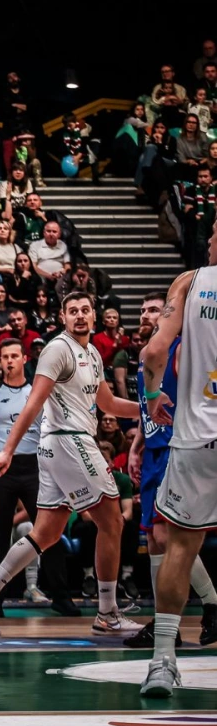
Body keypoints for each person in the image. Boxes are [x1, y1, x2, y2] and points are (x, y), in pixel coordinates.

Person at [0, 292, 145, 639]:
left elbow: (108, 403)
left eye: (85, 310)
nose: (79, 315)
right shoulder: (58, 349)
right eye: (72, 311)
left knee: (46, 532)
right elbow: (34, 402)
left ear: (94, 316)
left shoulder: (92, 354)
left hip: (56, 447)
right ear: (62, 317)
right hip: (69, 440)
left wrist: (147, 409)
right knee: (111, 521)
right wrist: (7, 450)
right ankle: (108, 613)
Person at [139, 228, 217, 696]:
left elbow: (153, 352)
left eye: (214, 230)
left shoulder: (190, 282)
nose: (207, 239)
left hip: (196, 438)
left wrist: (152, 395)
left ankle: (163, 662)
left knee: (180, 548)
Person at [125, 295, 217, 649]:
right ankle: (165, 623)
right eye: (143, 311)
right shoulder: (148, 353)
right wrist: (137, 445)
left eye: (154, 309)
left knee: (167, 536)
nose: (147, 315)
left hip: (176, 448)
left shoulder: (182, 348)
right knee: (153, 538)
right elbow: (148, 408)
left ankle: (209, 603)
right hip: (153, 449)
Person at [0, 339, 75, 617]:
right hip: (1, 468)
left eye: (14, 356)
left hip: (36, 466)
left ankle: (61, 596)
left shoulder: (38, 391)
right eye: (5, 356)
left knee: (49, 533)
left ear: (24, 359)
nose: (9, 361)